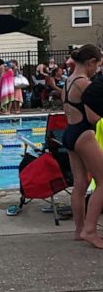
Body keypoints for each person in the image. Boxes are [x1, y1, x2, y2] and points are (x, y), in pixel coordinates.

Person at [60, 44, 103, 248]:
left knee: (80, 184)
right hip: (84, 134)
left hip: (69, 133)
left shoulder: (68, 82)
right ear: (91, 62)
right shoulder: (84, 83)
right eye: (98, 65)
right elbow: (94, 116)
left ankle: (79, 230)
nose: (97, 70)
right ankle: (90, 230)